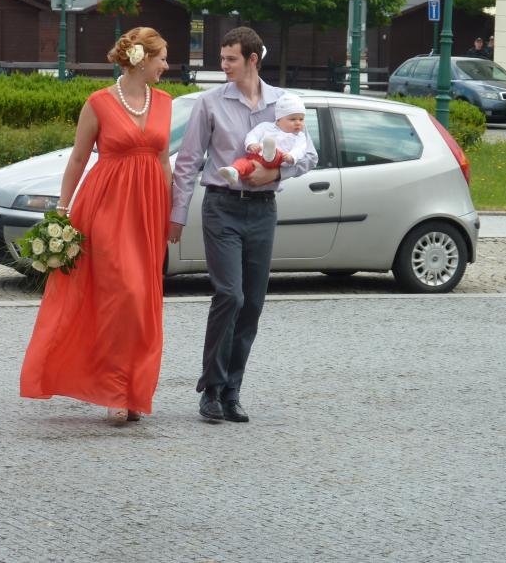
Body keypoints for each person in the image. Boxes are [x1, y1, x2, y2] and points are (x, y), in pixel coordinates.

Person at [20, 27, 172, 425]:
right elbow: (77, 158)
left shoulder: (165, 102)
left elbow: (162, 161)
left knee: (142, 304)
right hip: (106, 208)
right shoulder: (99, 102)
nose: (166, 65)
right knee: (122, 296)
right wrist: (62, 209)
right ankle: (115, 391)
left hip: (148, 213)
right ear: (142, 59)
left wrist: (172, 213)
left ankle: (135, 391)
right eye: (161, 58)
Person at [169, 27, 318, 423]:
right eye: (223, 58)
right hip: (221, 207)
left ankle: (232, 392)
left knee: (252, 303)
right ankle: (211, 389)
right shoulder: (210, 102)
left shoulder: (282, 102)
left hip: (263, 210)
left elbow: (308, 155)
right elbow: (188, 161)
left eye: (231, 58)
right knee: (230, 296)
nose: (224, 65)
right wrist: (177, 215)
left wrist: (275, 175)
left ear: (253, 59)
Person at [217, 92, 309, 186]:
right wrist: (251, 144)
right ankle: (233, 171)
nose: (298, 123)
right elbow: (253, 135)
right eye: (293, 119)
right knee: (244, 162)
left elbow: (300, 149)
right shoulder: (265, 127)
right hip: (256, 157)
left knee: (277, 155)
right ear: (279, 119)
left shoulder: (299, 137)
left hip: (278, 161)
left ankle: (270, 154)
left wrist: (292, 156)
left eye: (301, 119)